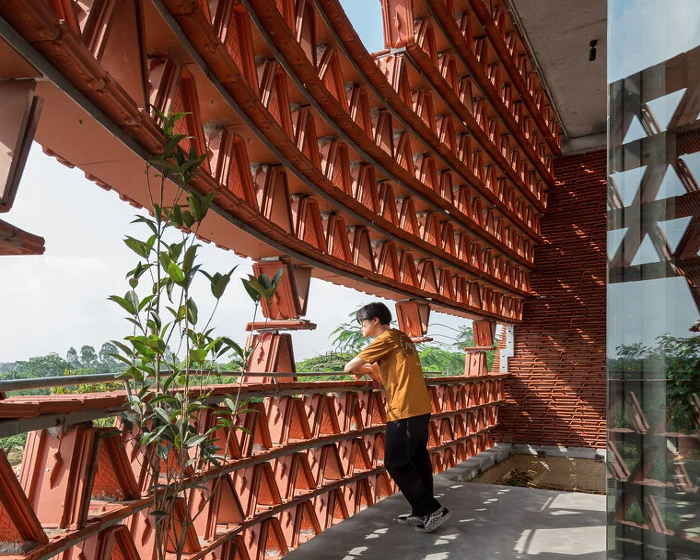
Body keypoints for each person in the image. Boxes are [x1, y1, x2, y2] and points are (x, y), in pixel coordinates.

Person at [344, 302, 450, 533]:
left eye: (362, 322)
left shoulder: (383, 340)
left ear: (375, 321)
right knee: (417, 460)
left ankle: (433, 509)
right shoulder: (402, 337)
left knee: (395, 462)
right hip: (420, 405)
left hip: (403, 408)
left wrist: (366, 370)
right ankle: (422, 512)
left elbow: (350, 366)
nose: (360, 327)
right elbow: (390, 369)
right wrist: (374, 370)